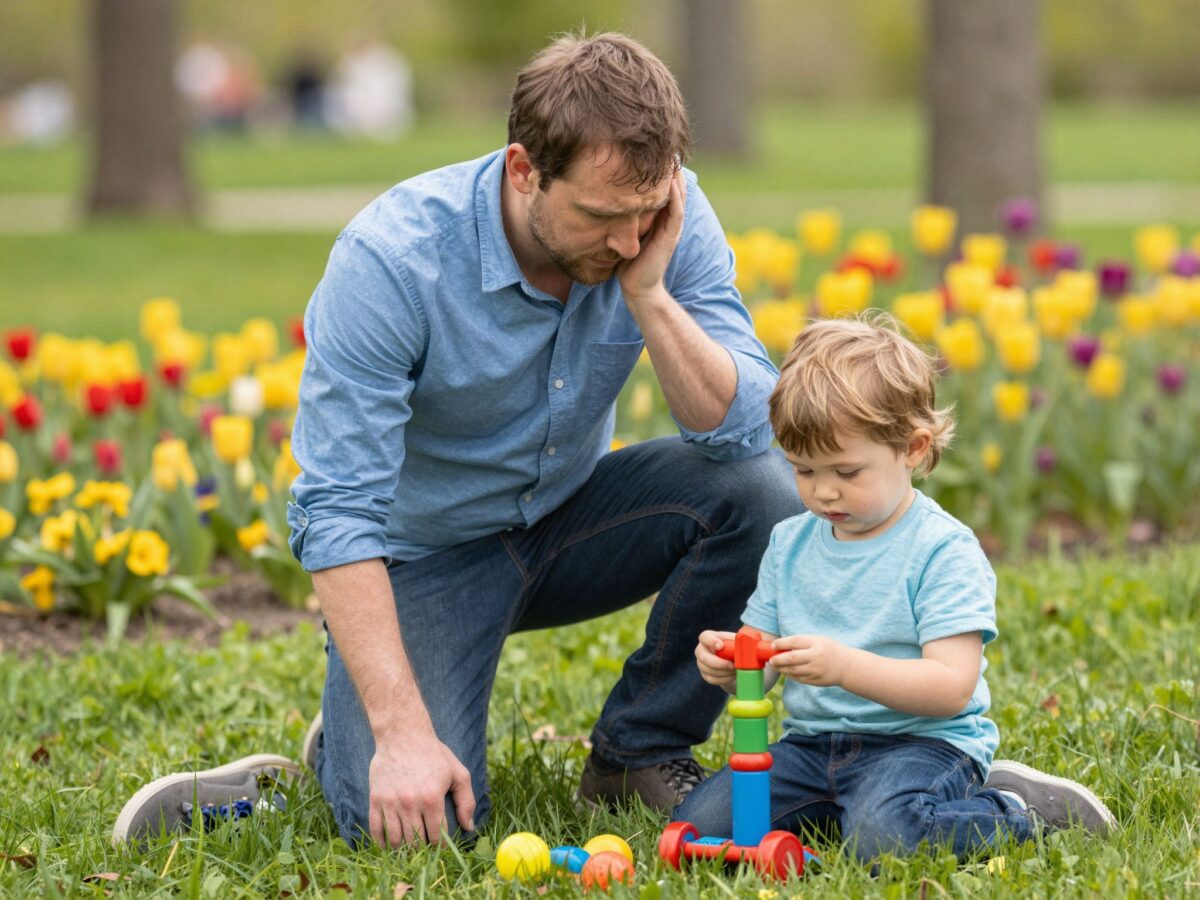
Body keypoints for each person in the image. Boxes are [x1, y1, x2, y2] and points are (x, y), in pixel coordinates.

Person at [113, 32, 803, 847]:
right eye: (600, 216)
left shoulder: (661, 215)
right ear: (522, 170)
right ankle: (339, 755)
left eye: (646, 214)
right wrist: (401, 736)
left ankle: (635, 752)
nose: (628, 240)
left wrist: (650, 296)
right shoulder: (392, 262)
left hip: (568, 518)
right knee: (424, 824)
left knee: (764, 493)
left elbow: (747, 426)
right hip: (426, 558)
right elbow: (336, 510)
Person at [675, 315, 1117, 862]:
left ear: (912, 448)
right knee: (704, 824)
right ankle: (859, 810)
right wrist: (731, 662)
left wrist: (844, 667)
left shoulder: (941, 549)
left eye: (846, 471)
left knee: (887, 839)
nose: (824, 491)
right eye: (803, 471)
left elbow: (951, 687)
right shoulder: (790, 543)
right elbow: (761, 664)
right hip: (812, 747)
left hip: (922, 745)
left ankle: (1017, 811)